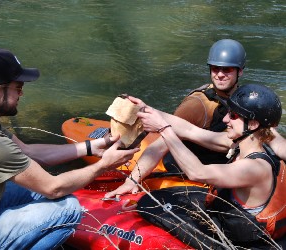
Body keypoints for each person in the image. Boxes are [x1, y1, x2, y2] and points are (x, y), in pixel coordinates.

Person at [0, 48, 139, 250]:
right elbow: (53, 188)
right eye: (18, 88)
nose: (22, 93)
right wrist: (103, 166)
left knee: (28, 186)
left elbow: (28, 152)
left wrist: (90, 147)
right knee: (69, 209)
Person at [108, 84, 286, 248]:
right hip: (233, 217)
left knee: (148, 203)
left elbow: (197, 172)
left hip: (244, 240)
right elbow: (190, 131)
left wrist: (163, 129)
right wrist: (146, 110)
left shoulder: (256, 168)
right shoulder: (241, 144)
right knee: (160, 197)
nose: (225, 119)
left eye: (233, 115)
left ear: (253, 124)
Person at [162, 39, 246, 171]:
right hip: (193, 169)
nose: (220, 75)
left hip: (223, 163)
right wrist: (133, 180)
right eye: (215, 68)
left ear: (239, 71)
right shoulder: (197, 105)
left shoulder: (243, 98)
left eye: (227, 69)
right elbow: (164, 140)